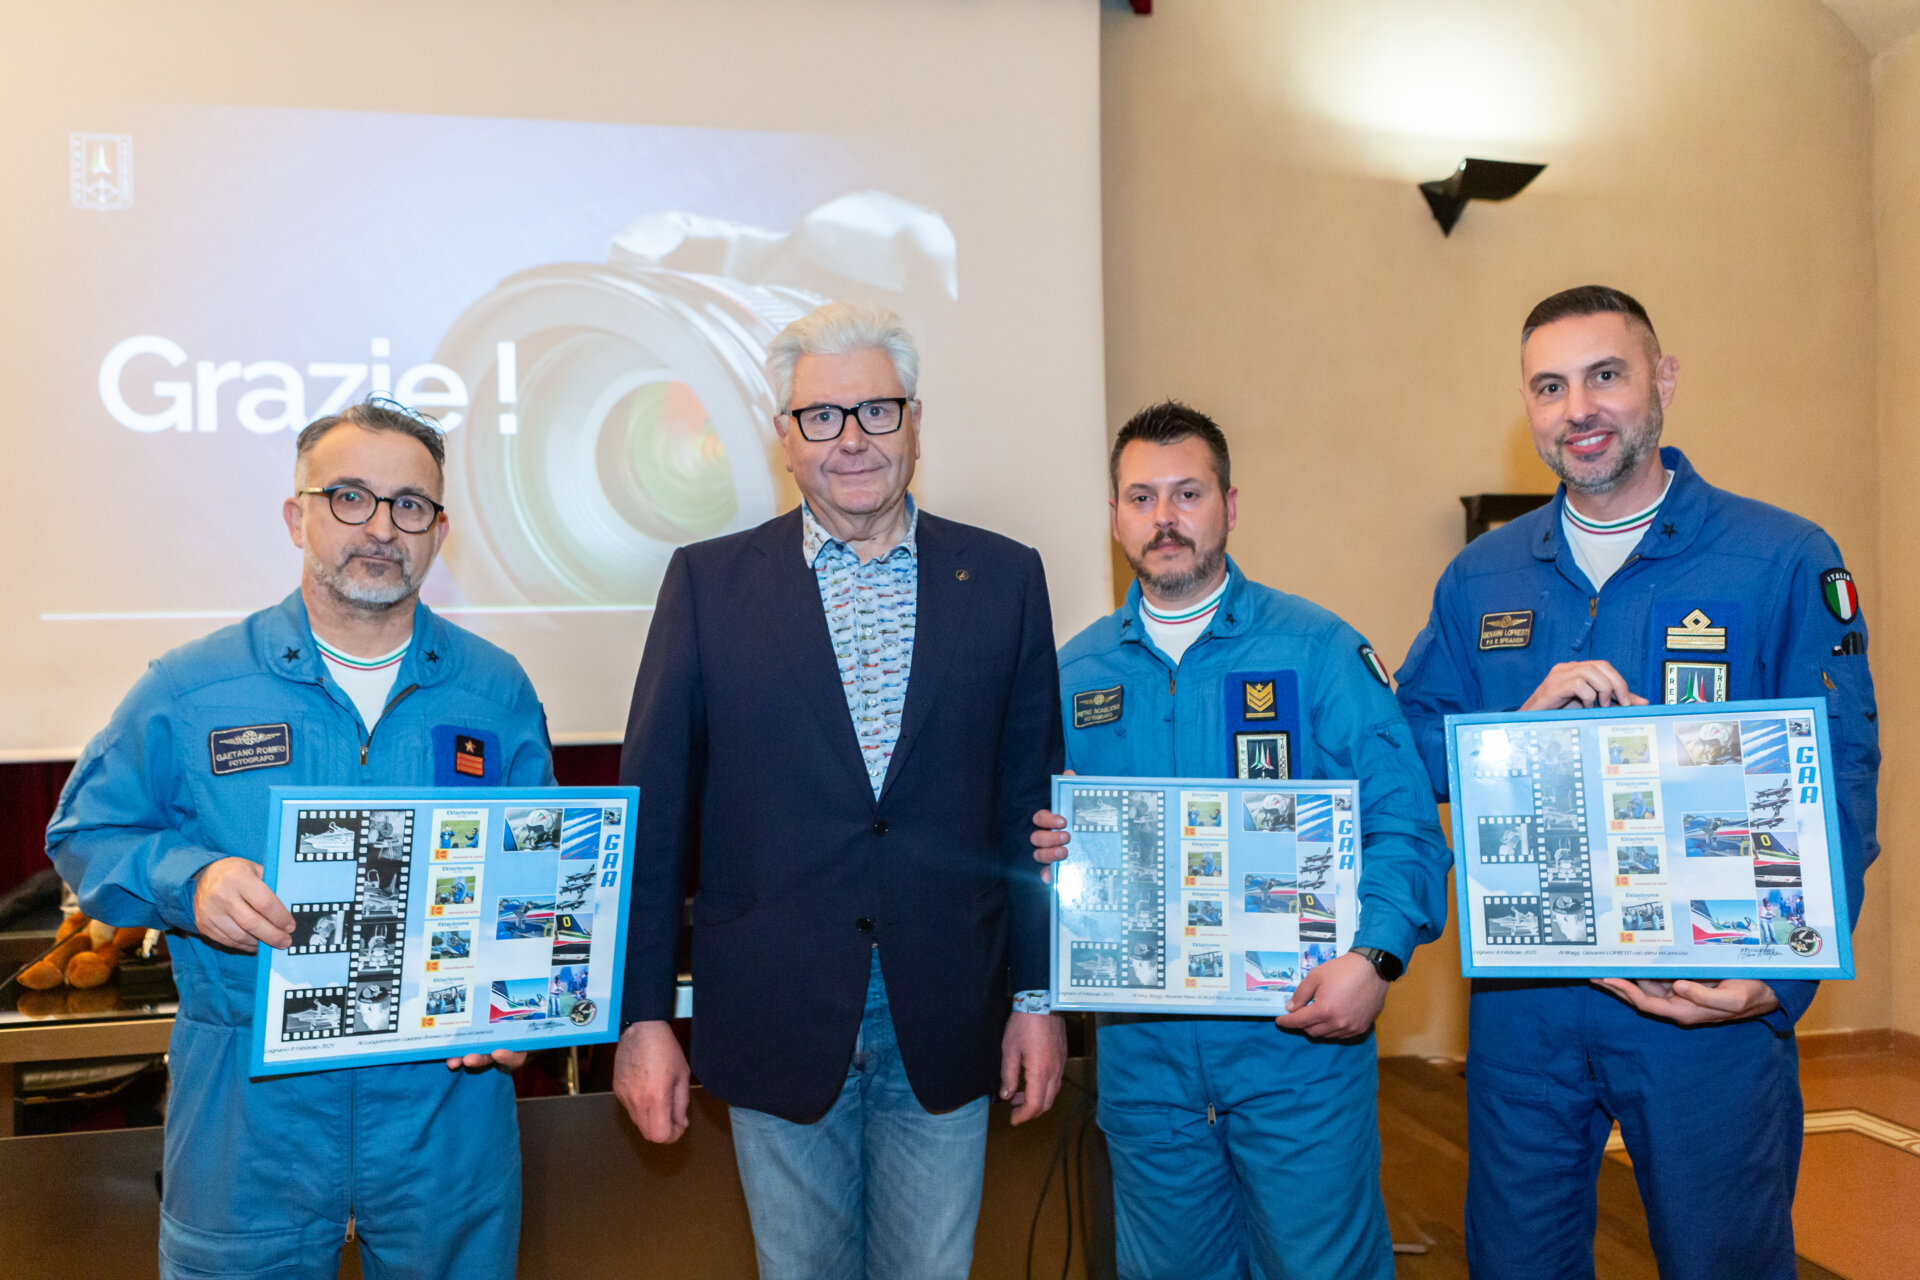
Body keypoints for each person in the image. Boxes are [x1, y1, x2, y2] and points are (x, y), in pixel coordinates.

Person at [1395, 285, 1880, 1280]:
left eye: (1605, 375)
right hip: (1526, 1005)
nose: (1579, 408)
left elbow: (1837, 778)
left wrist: (1776, 980)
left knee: (1724, 1261)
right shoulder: (1481, 577)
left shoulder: (1781, 558)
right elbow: (1404, 748)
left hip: (1704, 998)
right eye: (1549, 385)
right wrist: (1510, 733)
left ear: (1661, 380)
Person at [47, 398, 554, 1279]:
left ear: (439, 532)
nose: (381, 528)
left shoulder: (495, 692)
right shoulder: (192, 687)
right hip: (248, 1134)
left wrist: (521, 1011)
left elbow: (537, 886)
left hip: (446, 1130)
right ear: (298, 516)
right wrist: (190, 882)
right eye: (349, 497)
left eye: (409, 506)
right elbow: (87, 832)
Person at [612, 302, 1066, 1280]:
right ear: (785, 436)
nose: (852, 438)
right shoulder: (706, 584)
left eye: (877, 410)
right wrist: (643, 1013)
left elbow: (1031, 809)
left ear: (915, 422)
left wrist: (1038, 991)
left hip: (950, 1011)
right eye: (822, 416)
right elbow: (654, 823)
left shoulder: (1004, 578)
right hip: (774, 1010)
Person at [1030, 401, 1452, 1280]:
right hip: (1144, 1068)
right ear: (1113, 518)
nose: (1165, 518)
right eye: (1141, 498)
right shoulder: (1073, 676)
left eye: (1188, 493)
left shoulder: (1320, 652)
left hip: (1297, 1050)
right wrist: (1045, 853)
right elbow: (1025, 852)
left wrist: (1375, 959)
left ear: (1230, 504)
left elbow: (1404, 821)